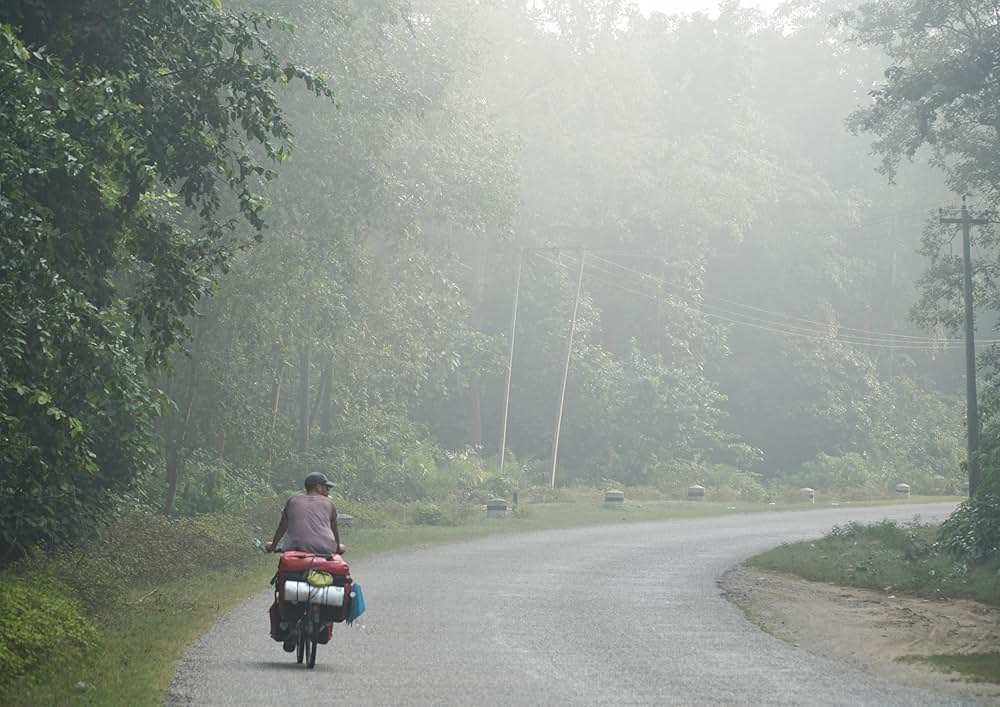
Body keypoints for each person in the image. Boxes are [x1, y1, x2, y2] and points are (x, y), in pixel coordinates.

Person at [265, 471, 344, 556]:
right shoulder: (329, 503)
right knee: (342, 547)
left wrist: (273, 546)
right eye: (326, 487)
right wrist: (338, 548)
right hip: (325, 549)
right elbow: (334, 528)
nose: (328, 490)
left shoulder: (292, 500)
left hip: (294, 548)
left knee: (269, 546)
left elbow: (283, 525)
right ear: (318, 487)